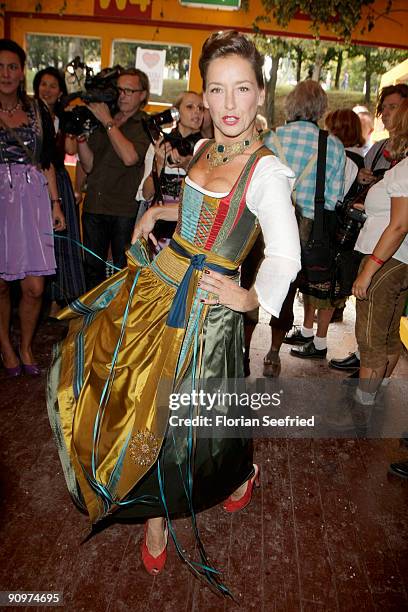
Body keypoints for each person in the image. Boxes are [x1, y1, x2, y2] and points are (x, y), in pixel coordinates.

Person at [47, 30, 300, 589]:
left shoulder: (267, 172)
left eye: (242, 90)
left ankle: (176, 506)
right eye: (217, 91)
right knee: (141, 397)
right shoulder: (208, 148)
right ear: (203, 97)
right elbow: (195, 199)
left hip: (207, 310)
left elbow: (285, 253)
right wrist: (158, 212)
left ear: (261, 95)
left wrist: (250, 297)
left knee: (189, 417)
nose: (229, 105)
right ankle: (189, 494)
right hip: (162, 281)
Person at [255, 80, 344, 376]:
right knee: (288, 290)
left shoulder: (269, 138)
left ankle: (242, 350)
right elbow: (333, 199)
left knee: (250, 284)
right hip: (306, 231)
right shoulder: (332, 145)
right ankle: (272, 353)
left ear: (290, 105)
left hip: (263, 225)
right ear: (321, 109)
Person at [331, 99, 408, 433]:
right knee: (388, 335)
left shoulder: (406, 169)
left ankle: (360, 412)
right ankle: (376, 400)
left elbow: (400, 225)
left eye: (393, 113)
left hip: (388, 259)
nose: (386, 118)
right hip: (396, 260)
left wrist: (369, 268)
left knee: (370, 338)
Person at [0, 39, 65, 377]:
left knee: (35, 286)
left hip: (34, 199)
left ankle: (26, 344)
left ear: (22, 71)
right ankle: (7, 347)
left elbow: (47, 161)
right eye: (0, 67)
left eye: (12, 66)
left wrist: (56, 204)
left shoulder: (37, 108)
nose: (6, 73)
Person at [76, 67, 151, 290]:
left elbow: (130, 158)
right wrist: (80, 139)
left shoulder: (145, 123)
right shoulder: (105, 118)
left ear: (143, 95)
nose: (122, 95)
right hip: (94, 205)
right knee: (91, 269)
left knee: (121, 270)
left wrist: (108, 122)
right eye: (119, 90)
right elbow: (89, 164)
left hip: (123, 209)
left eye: (129, 90)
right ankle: (90, 322)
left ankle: (115, 323)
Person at [33, 67, 86, 314]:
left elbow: (72, 151)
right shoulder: (26, 115)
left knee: (60, 243)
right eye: (43, 84)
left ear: (60, 91)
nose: (47, 89)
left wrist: (73, 126)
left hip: (59, 180)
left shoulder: (62, 119)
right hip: (31, 181)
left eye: (53, 85)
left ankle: (56, 299)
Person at [141, 90, 203, 249]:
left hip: (191, 228)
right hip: (160, 229)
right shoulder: (160, 145)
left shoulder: (207, 148)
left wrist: (186, 166)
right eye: (190, 107)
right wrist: (159, 165)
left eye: (201, 108)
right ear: (176, 113)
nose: (196, 112)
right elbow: (146, 194)